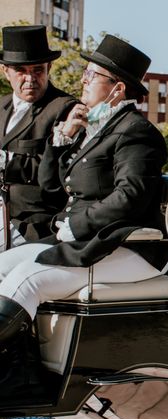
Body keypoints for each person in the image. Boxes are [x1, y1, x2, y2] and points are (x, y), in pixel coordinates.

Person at [0, 35, 168, 398]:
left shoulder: (137, 133)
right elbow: (50, 187)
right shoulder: (95, 130)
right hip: (84, 242)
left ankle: (21, 376)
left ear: (116, 89)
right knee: (3, 265)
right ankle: (18, 366)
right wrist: (62, 138)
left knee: (28, 280)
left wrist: (78, 223)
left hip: (122, 247)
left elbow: (132, 194)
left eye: (91, 76)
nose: (82, 82)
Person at [0, 25, 76, 250]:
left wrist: (7, 162)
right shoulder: (1, 106)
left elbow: (58, 171)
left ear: (49, 67)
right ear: (6, 71)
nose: (29, 78)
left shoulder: (65, 109)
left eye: (37, 70)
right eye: (21, 70)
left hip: (33, 225)